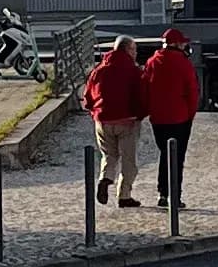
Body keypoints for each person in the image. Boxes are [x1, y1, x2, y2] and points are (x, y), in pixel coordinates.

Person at [141, 23, 201, 211]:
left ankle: (162, 193)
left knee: (164, 154)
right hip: (179, 117)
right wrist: (191, 113)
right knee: (177, 157)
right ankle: (174, 196)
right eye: (182, 44)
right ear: (177, 44)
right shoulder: (183, 63)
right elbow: (192, 91)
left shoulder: (152, 62)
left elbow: (145, 88)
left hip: (158, 117)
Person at [85, 32, 148, 207]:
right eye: (134, 50)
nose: (136, 53)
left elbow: (88, 96)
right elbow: (142, 96)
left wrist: (94, 111)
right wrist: (141, 114)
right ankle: (124, 195)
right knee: (129, 160)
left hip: (102, 120)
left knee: (109, 155)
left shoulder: (99, 70)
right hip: (127, 120)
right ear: (128, 50)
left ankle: (105, 178)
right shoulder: (134, 71)